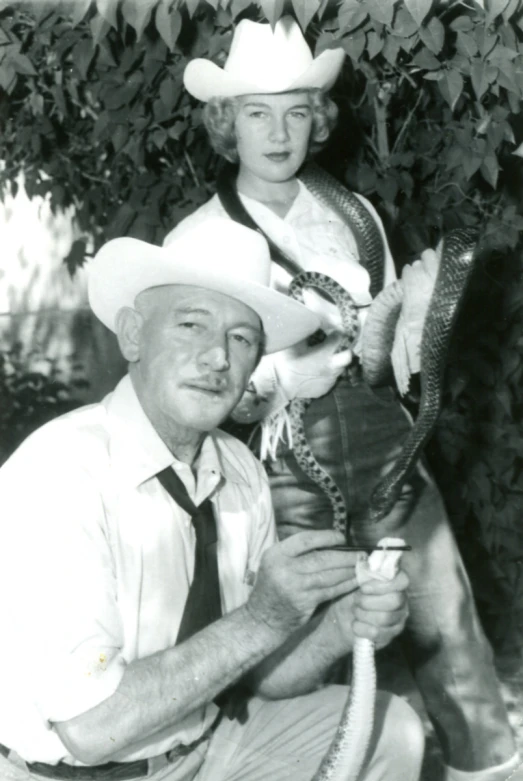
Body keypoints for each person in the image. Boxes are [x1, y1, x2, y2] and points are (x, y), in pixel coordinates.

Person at [164, 17, 521, 781]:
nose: (279, 131)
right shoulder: (196, 240)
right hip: (278, 460)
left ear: (317, 120)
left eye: (297, 110)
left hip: (381, 435)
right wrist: (277, 381)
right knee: (299, 647)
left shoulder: (353, 213)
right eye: (257, 112)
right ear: (226, 122)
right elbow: (192, 385)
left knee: (446, 624)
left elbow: (391, 355)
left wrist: (414, 315)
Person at [0, 218, 424, 781]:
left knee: (386, 728)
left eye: (242, 338)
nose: (218, 358)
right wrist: (263, 617)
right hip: (78, 771)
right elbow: (91, 729)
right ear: (133, 335)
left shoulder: (239, 469)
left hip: (207, 747)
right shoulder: (60, 471)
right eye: (191, 324)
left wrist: (343, 625)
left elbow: (260, 674)